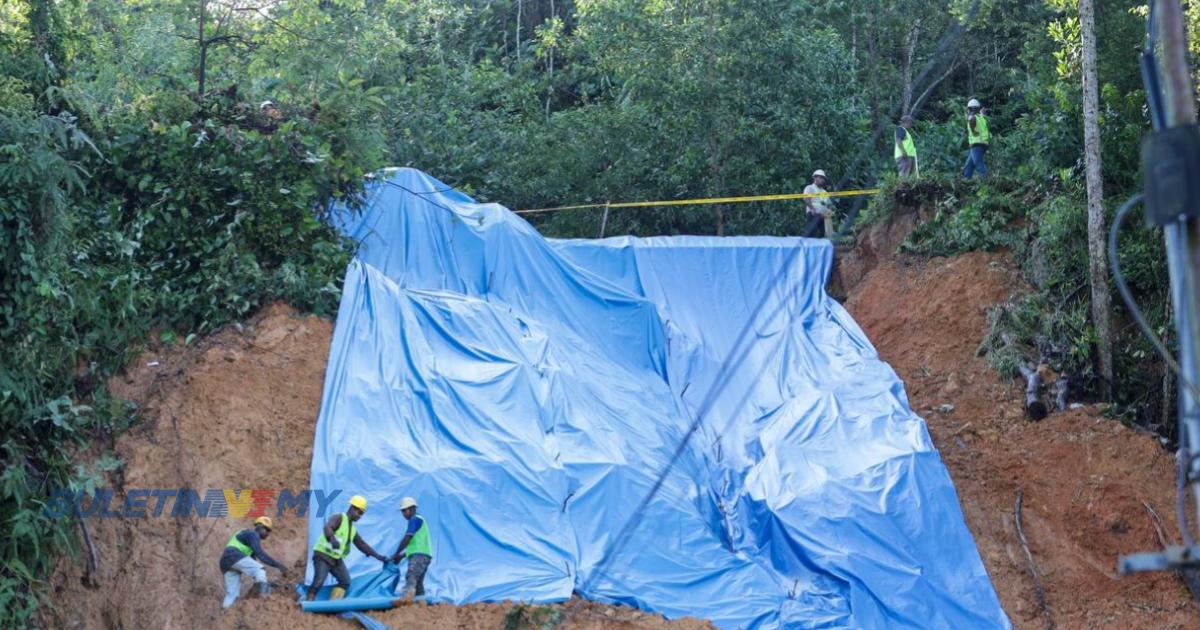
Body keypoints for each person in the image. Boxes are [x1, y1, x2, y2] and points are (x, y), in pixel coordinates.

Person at [304, 495, 388, 601]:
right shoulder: (339, 518)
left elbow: (361, 544)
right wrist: (332, 539)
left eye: (362, 514)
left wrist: (378, 556)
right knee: (319, 580)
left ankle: (333, 603)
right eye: (359, 512)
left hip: (335, 559)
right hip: (323, 555)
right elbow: (327, 527)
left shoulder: (352, 529)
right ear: (352, 508)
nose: (360, 516)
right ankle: (309, 601)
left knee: (345, 581)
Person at [220, 516, 287, 609]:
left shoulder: (247, 537)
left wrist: (266, 581)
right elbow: (260, 554)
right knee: (260, 569)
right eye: (266, 529)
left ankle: (225, 613)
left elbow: (253, 564)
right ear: (259, 527)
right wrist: (278, 564)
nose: (267, 533)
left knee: (232, 594)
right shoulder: (253, 534)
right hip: (234, 555)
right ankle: (263, 598)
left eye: (269, 531)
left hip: (225, 562)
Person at [389, 496, 433, 601]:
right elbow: (416, 544)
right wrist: (402, 555)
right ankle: (421, 604)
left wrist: (396, 554)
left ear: (412, 509)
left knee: (411, 577)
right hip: (425, 556)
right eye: (402, 511)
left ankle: (406, 600)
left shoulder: (414, 519)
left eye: (405, 510)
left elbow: (408, 538)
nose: (403, 514)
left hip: (418, 556)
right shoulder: (420, 520)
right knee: (418, 584)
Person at [963, 98, 991, 179]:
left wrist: (973, 130)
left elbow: (971, 119)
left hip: (976, 145)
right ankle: (966, 181)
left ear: (970, 109)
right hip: (983, 144)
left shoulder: (972, 117)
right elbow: (980, 117)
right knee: (969, 165)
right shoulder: (981, 118)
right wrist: (982, 113)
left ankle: (986, 182)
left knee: (979, 165)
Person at [803, 169, 834, 238]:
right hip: (813, 214)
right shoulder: (809, 188)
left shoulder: (824, 192)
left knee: (821, 235)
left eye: (823, 178)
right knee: (812, 234)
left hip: (823, 216)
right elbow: (806, 199)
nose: (822, 180)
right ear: (815, 178)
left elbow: (829, 204)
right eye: (820, 177)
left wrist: (830, 210)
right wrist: (812, 209)